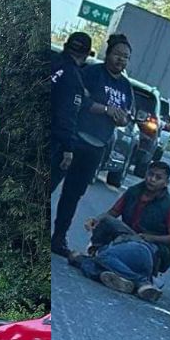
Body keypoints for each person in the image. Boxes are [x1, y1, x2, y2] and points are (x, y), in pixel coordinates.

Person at [51, 33, 134, 257]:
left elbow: (128, 116)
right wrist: (105, 109)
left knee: (73, 195)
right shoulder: (91, 73)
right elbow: (78, 100)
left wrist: (121, 118)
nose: (121, 60)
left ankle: (58, 238)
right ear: (108, 54)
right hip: (74, 139)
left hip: (97, 147)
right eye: (117, 54)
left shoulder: (126, 87)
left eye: (125, 57)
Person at [73, 160, 170, 303]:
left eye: (158, 177)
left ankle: (140, 281)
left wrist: (150, 237)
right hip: (125, 240)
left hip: (148, 249)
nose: (152, 179)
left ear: (166, 183)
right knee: (106, 223)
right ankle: (132, 283)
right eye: (150, 174)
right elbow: (112, 213)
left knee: (99, 258)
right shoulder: (133, 192)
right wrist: (95, 220)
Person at [50, 32, 92, 193]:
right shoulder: (73, 78)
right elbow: (66, 116)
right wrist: (68, 148)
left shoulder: (51, 61)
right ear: (86, 55)